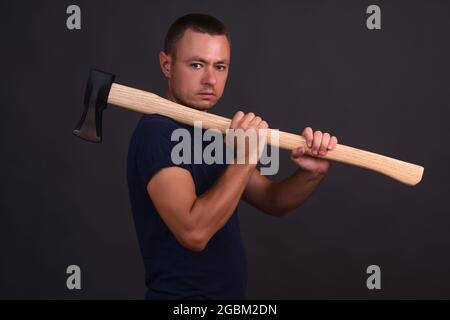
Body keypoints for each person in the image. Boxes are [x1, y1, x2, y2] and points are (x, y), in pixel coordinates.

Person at [126, 13, 338, 300]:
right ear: (167, 64)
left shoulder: (213, 134)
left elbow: (273, 200)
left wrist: (312, 172)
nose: (210, 79)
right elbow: (194, 232)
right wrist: (247, 157)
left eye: (220, 66)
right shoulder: (156, 133)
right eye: (197, 65)